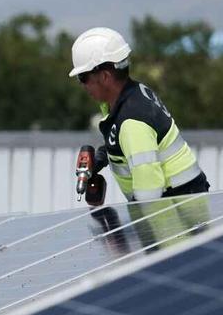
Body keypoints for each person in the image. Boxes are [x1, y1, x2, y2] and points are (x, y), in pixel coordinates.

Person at [70, 27, 210, 203]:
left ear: (105, 76)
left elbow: (149, 190)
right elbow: (130, 142)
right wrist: (102, 156)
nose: (83, 85)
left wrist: (140, 227)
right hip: (184, 197)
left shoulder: (131, 121)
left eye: (83, 77)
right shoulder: (133, 94)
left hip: (176, 208)